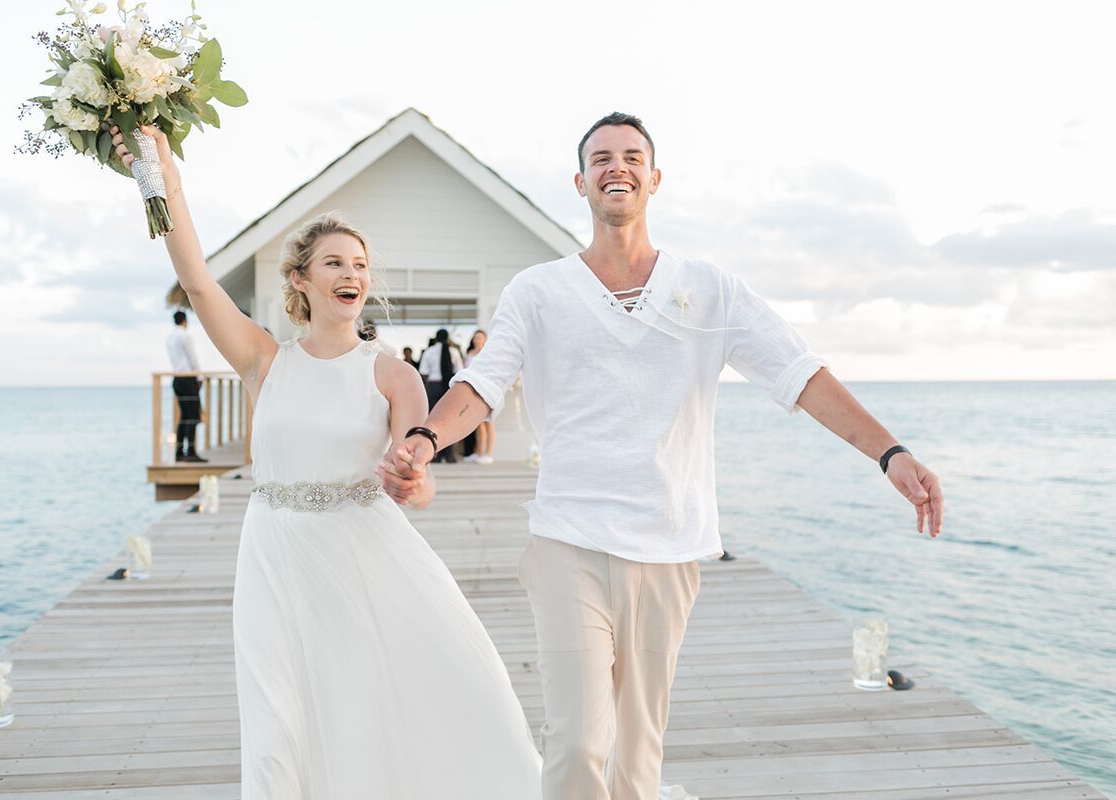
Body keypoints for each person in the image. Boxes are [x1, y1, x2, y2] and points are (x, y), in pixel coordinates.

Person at [379, 112, 946, 800]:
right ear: (580, 182)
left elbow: (800, 375)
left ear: (654, 178)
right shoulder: (539, 291)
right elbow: (483, 383)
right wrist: (426, 439)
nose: (616, 166)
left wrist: (890, 453)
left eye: (631, 156)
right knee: (580, 741)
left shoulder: (710, 288)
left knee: (638, 753)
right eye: (601, 158)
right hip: (568, 541)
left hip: (668, 546)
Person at [111, 125, 541, 798]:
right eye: (336, 263)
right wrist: (162, 178)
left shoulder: (393, 375)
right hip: (274, 554)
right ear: (300, 280)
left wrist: (413, 479)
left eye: (360, 265)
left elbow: (418, 487)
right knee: (278, 722)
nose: (352, 274)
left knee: (374, 706)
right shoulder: (264, 359)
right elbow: (195, 281)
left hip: (363, 554)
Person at [165, 310, 207, 462]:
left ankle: (179, 451)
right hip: (188, 378)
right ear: (184, 320)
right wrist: (200, 376)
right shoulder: (185, 335)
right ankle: (190, 451)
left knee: (184, 416)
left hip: (177, 379)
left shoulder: (170, 338)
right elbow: (192, 356)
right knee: (193, 416)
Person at [417, 328, 463, 462]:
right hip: (448, 386)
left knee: (432, 420)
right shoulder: (453, 352)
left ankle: (435, 454)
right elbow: (459, 371)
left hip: (434, 386)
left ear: (436, 338)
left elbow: (423, 372)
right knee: (449, 420)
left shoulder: (429, 352)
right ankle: (449, 455)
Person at [462, 330, 495, 464]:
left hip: (486, 389)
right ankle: (479, 452)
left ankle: (489, 453)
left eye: (480, 337)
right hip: (472, 389)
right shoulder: (469, 354)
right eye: (475, 337)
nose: (477, 340)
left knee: (489, 423)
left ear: (485, 339)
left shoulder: (488, 353)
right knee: (478, 423)